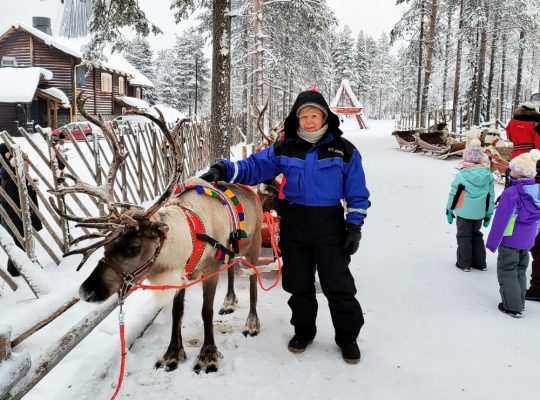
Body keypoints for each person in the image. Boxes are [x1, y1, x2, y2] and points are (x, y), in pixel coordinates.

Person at [200, 88, 370, 364]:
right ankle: (303, 332)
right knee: (298, 282)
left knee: (338, 285)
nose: (308, 121)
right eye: (303, 116)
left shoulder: (344, 150)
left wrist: (355, 226)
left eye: (314, 115)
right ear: (297, 119)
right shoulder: (285, 148)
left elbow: (357, 192)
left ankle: (347, 338)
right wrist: (224, 169)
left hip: (330, 224)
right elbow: (254, 166)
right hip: (295, 222)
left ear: (325, 117)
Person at [486, 149, 540, 317]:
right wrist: (535, 234)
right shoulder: (537, 190)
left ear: (520, 172)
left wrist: (493, 242)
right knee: (520, 269)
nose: (510, 169)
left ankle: (512, 306)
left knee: (507, 270)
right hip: (528, 238)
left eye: (514, 168)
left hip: (510, 239)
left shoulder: (512, 193)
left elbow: (501, 220)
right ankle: (520, 301)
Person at [446, 139, 495, 272]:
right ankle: (480, 263)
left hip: (463, 212)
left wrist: (449, 210)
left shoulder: (462, 175)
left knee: (464, 236)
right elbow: (490, 196)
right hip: (479, 213)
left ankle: (464, 263)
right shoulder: (488, 176)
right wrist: (488, 213)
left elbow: (454, 194)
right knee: (476, 235)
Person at [0, 142, 43, 277]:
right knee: (17, 238)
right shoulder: (6, 171)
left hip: (14, 210)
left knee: (20, 238)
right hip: (12, 211)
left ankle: (21, 267)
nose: (9, 154)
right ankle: (16, 269)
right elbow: (12, 194)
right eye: (7, 152)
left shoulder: (11, 170)